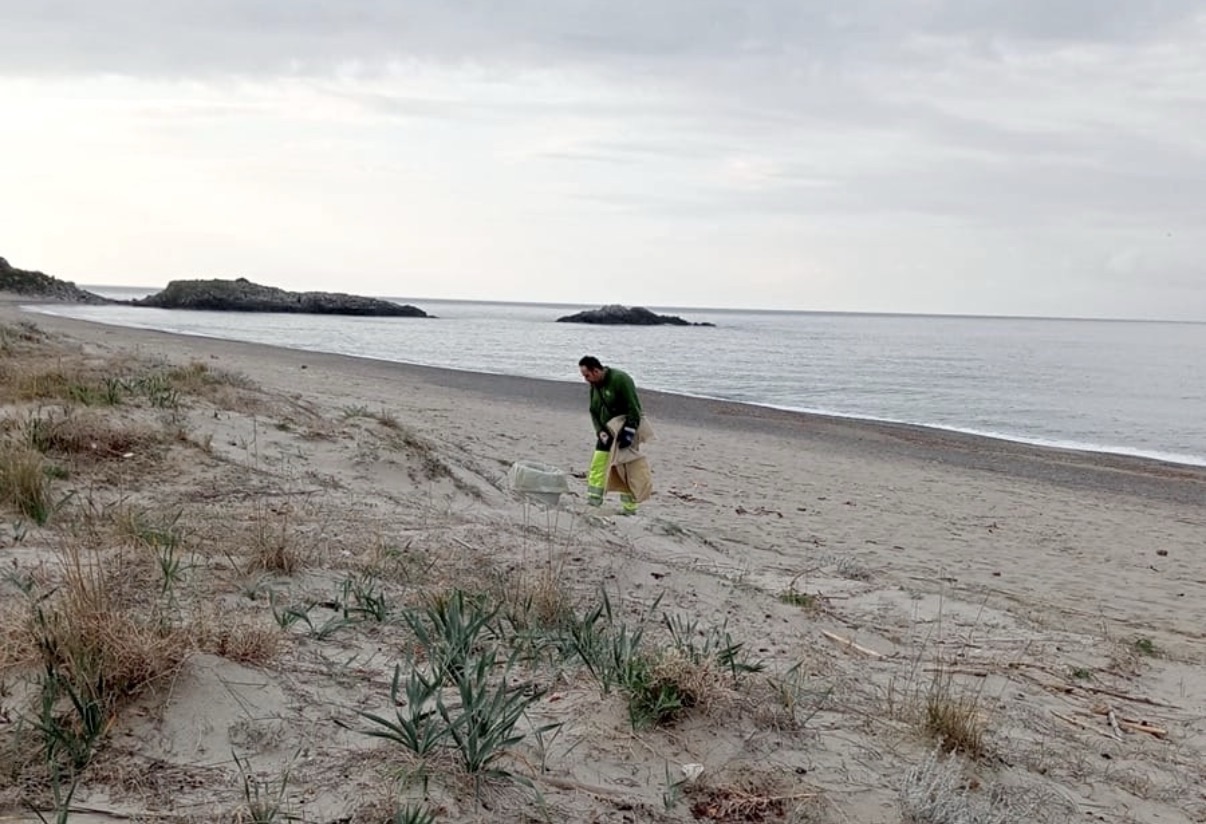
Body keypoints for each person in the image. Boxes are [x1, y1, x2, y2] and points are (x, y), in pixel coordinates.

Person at [578, 355, 643, 514]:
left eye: (587, 375)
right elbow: (593, 410)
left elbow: (634, 408)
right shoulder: (594, 385)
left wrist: (629, 431)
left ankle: (629, 509)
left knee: (626, 470)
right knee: (597, 465)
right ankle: (594, 500)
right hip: (606, 431)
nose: (585, 380)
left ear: (596, 370)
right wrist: (599, 431)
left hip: (625, 430)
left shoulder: (621, 379)